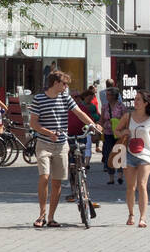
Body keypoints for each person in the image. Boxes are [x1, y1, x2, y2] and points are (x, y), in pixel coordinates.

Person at [28, 69, 101, 229]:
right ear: (56, 83)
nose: (66, 86)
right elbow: (33, 124)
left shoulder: (65, 98)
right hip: (44, 144)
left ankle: (52, 217)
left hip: (61, 145)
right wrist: (49, 133)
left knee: (57, 182)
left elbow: (79, 113)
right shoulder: (39, 99)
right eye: (64, 83)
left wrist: (93, 125)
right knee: (44, 177)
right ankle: (42, 215)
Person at [123, 89, 150, 227]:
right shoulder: (128, 116)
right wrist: (123, 131)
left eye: (138, 99)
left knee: (142, 185)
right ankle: (131, 214)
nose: (135, 102)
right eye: (135, 99)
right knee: (131, 187)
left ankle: (142, 217)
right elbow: (116, 131)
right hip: (129, 154)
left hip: (146, 155)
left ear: (145, 103)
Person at [100, 83, 126, 186]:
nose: (107, 97)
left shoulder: (121, 106)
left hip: (119, 133)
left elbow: (126, 119)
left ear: (114, 96)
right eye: (106, 95)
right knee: (108, 154)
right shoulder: (105, 107)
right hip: (108, 133)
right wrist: (98, 127)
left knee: (119, 153)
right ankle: (111, 177)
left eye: (109, 95)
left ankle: (120, 176)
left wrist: (117, 121)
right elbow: (101, 119)